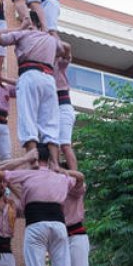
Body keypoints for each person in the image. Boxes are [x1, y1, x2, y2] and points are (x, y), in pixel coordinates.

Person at [0, 11, 62, 157]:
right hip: (49, 79)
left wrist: (18, 29)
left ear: (29, 23)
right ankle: (54, 161)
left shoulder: (23, 34)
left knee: (27, 119)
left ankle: (32, 159)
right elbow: (64, 49)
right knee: (50, 122)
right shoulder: (50, 40)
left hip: (29, 74)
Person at [54, 42, 76, 171]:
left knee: (65, 144)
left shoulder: (59, 63)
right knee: (53, 144)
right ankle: (55, 171)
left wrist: (51, 35)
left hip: (63, 106)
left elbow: (67, 48)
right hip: (53, 108)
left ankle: (76, 175)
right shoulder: (42, 69)